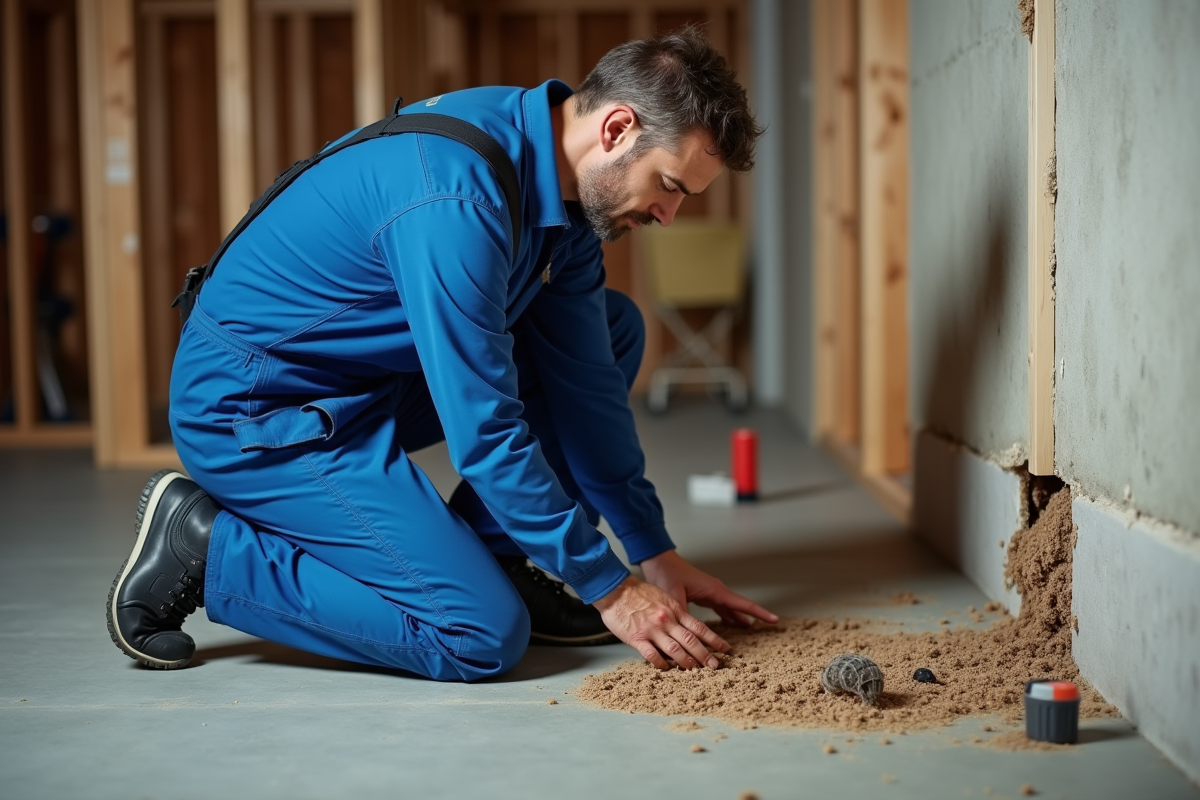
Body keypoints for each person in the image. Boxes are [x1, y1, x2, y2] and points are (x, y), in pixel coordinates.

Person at [107, 25, 777, 681]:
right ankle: (204, 547)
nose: (668, 216)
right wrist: (610, 587)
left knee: (614, 328)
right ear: (616, 130)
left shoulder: (564, 195)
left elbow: (588, 386)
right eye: (670, 185)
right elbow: (484, 431)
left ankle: (498, 557)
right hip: (261, 411)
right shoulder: (458, 195)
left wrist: (652, 549)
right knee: (479, 634)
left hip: (365, 380)